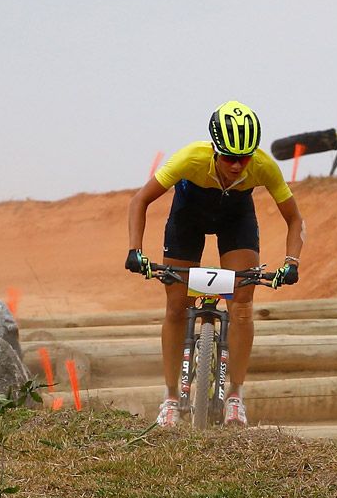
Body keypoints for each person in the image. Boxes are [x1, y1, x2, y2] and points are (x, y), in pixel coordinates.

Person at [125, 100, 305, 428]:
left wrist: (291, 262)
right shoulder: (190, 158)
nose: (238, 166)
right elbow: (140, 201)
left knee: (242, 305)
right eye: (230, 158)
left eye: (244, 158)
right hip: (187, 217)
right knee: (177, 307)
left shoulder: (264, 166)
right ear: (214, 150)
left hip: (236, 219)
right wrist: (135, 251)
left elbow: (294, 219)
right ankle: (170, 397)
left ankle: (235, 394)